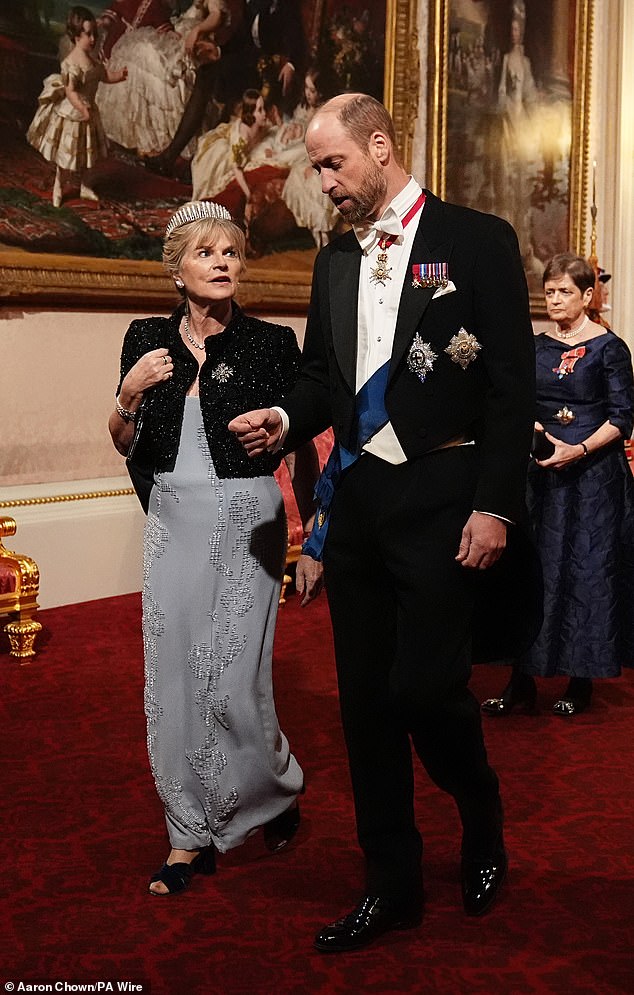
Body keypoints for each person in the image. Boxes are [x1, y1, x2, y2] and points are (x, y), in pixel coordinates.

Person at [229, 93, 541, 951]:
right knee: (366, 705)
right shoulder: (334, 262)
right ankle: (391, 883)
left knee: (424, 689)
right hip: (359, 507)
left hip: (445, 503)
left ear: (380, 145)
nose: (323, 182)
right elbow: (323, 378)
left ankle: (480, 813)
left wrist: (494, 504)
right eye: (316, 168)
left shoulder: (475, 241)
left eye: (333, 163)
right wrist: (287, 422)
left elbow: (513, 385)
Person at [108, 199, 323, 896]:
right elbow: (123, 442)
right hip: (174, 517)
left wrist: (313, 536)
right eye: (207, 252)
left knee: (233, 683)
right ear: (177, 269)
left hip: (249, 520)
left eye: (231, 252)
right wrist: (127, 393)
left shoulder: (270, 342)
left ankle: (277, 788)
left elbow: (304, 447)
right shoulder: (145, 337)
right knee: (171, 683)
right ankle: (186, 833)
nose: (223, 262)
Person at [482, 253, 634, 718]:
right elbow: (513, 399)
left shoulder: (610, 348)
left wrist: (580, 449)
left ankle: (580, 680)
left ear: (588, 296)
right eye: (549, 291)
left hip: (593, 481)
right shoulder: (535, 346)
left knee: (585, 576)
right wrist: (533, 430)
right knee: (531, 574)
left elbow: (623, 417)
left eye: (564, 291)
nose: (554, 299)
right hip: (538, 476)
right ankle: (520, 681)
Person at [26, 5, 128, 207]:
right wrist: (82, 108)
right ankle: (58, 186)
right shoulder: (72, 63)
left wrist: (119, 76)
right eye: (88, 34)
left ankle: (84, 185)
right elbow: (71, 91)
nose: (93, 39)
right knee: (66, 158)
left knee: (87, 155)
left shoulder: (92, 61)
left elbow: (103, 75)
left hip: (88, 114)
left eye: (94, 34)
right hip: (73, 114)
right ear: (76, 35)